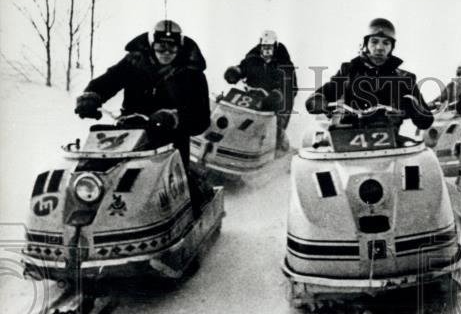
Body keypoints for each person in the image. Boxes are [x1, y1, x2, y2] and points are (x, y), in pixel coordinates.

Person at [74, 18, 212, 215]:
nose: (166, 53)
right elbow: (108, 81)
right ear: (151, 45)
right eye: (160, 47)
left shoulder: (193, 74)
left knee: (173, 180)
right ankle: (87, 204)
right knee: (97, 165)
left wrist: (174, 117)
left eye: (172, 49)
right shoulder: (134, 62)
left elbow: (201, 118)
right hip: (129, 130)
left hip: (170, 138)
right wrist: (91, 97)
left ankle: (190, 211)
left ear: (180, 48)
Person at [304, 17, 433, 130]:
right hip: (346, 140)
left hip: (390, 146)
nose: (379, 47)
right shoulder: (349, 71)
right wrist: (319, 102)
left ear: (392, 47)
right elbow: (316, 98)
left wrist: (413, 107)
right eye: (374, 41)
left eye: (386, 42)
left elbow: (426, 121)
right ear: (366, 44)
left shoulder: (404, 78)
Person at [224, 29, 297, 150]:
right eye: (264, 47)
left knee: (273, 124)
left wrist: (279, 98)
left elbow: (290, 89)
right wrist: (235, 73)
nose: (267, 50)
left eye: (270, 47)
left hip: (274, 102)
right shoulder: (253, 59)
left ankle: (276, 143)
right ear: (260, 46)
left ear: (275, 47)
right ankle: (230, 138)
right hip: (251, 98)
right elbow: (243, 67)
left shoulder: (284, 65)